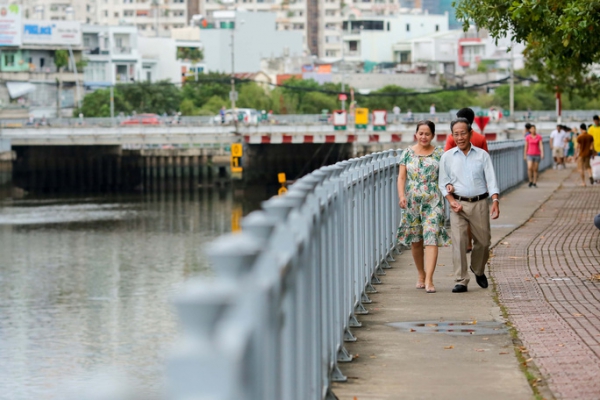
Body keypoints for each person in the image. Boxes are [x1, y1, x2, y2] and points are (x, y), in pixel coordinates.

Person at [439, 118, 500, 293]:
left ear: (471, 133)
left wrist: (495, 200)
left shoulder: (482, 155)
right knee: (459, 242)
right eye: (456, 134)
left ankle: (478, 269)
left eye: (463, 133)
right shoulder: (447, 157)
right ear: (452, 136)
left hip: (480, 203)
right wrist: (451, 201)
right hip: (457, 204)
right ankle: (461, 280)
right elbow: (443, 183)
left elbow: (491, 179)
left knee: (483, 242)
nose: (460, 137)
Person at [397, 120, 450, 294]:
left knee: (431, 237)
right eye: (421, 133)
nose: (424, 137)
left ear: (433, 135)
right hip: (412, 201)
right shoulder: (407, 153)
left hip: (433, 200)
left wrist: (449, 187)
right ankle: (421, 273)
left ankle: (429, 279)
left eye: (427, 134)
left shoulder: (439, 154)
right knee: (416, 241)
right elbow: (402, 177)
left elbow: (446, 176)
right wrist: (402, 196)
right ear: (416, 134)